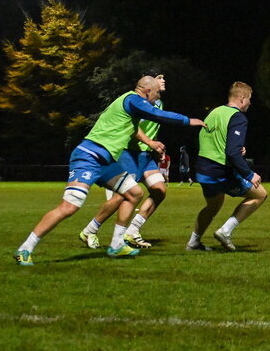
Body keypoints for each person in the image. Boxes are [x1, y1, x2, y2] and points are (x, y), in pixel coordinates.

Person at [14, 76, 203, 265]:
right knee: (70, 206)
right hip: (90, 155)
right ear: (147, 92)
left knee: (133, 193)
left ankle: (116, 245)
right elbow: (157, 114)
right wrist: (188, 121)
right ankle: (25, 248)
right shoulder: (133, 100)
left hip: (106, 160)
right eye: (156, 93)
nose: (157, 97)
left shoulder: (131, 103)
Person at [82, 71, 176, 250]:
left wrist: (155, 149)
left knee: (159, 190)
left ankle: (132, 231)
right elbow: (132, 128)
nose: (164, 81)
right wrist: (150, 142)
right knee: (124, 196)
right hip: (130, 152)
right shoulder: (138, 102)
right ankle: (90, 230)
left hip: (145, 155)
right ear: (148, 83)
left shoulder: (159, 103)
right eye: (160, 77)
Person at [188, 82, 269, 251]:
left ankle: (194, 242)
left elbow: (214, 140)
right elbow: (231, 152)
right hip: (220, 170)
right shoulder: (238, 117)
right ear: (241, 98)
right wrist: (249, 174)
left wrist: (237, 149)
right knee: (260, 194)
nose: (250, 103)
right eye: (249, 99)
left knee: (213, 205)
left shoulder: (213, 112)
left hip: (203, 169)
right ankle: (225, 231)